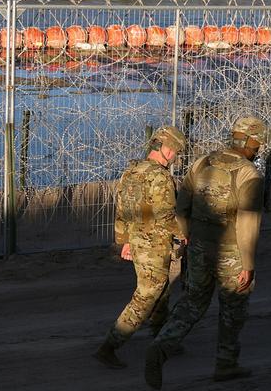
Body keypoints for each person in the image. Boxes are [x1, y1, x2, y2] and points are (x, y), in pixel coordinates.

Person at [144, 116, 268, 389]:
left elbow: (182, 206)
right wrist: (248, 264)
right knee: (233, 308)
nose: (259, 149)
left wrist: (189, 236)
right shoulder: (250, 174)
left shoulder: (202, 163)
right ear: (252, 143)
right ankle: (226, 364)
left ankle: (160, 348)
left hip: (199, 246)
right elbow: (248, 223)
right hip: (232, 253)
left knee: (192, 303)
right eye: (258, 143)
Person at [92, 125, 186, 369]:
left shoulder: (131, 171)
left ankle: (161, 339)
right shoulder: (160, 176)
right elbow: (166, 216)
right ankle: (109, 346)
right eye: (175, 151)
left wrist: (123, 242)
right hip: (154, 245)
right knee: (147, 295)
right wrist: (185, 235)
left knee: (162, 289)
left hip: (138, 242)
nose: (176, 157)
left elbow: (122, 210)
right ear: (166, 149)